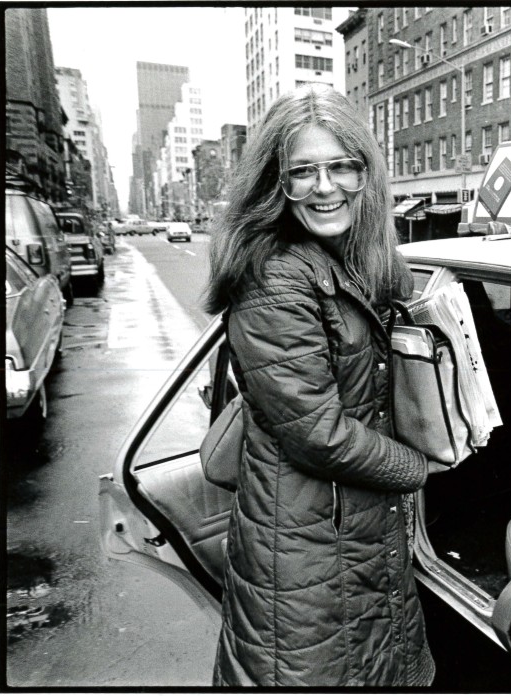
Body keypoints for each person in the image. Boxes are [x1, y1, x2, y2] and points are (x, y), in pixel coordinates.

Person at [203, 85, 435, 687]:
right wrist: (417, 467)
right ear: (274, 185)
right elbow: (317, 433)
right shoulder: (275, 275)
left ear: (366, 174)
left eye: (340, 167)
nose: (325, 186)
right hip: (305, 548)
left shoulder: (352, 259)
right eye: (302, 171)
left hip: (347, 531)